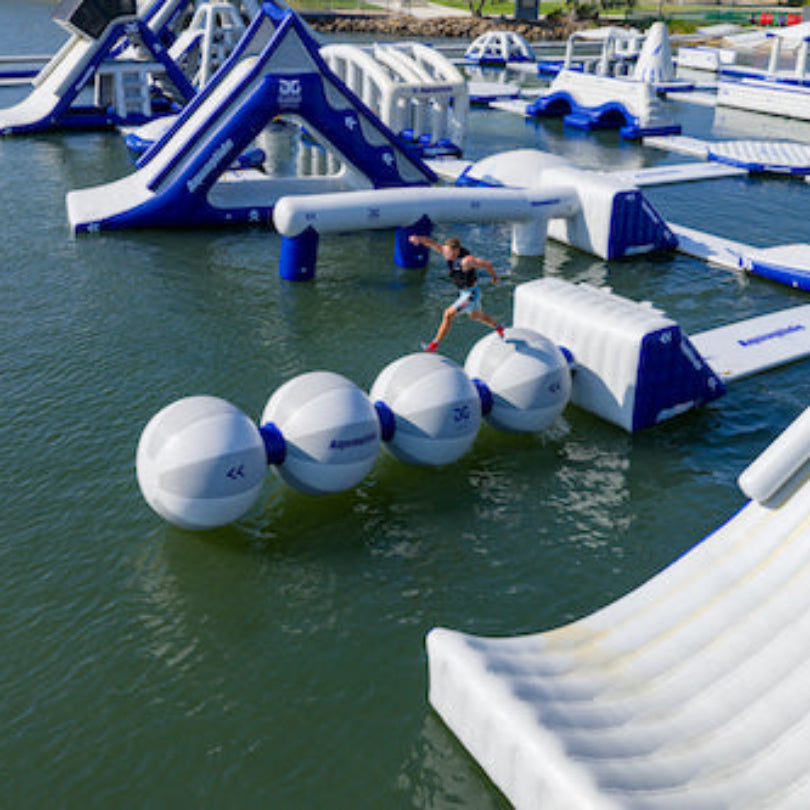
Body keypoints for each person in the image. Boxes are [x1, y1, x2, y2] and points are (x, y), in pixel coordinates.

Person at [408, 234, 504, 353]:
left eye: (448, 253)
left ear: (456, 250)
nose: (446, 255)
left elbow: (487, 264)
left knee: (448, 314)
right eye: (445, 252)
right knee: (476, 316)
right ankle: (498, 327)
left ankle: (434, 345)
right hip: (464, 293)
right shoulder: (447, 251)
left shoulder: (467, 261)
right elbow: (431, 243)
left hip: (470, 295)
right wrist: (418, 239)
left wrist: (495, 278)